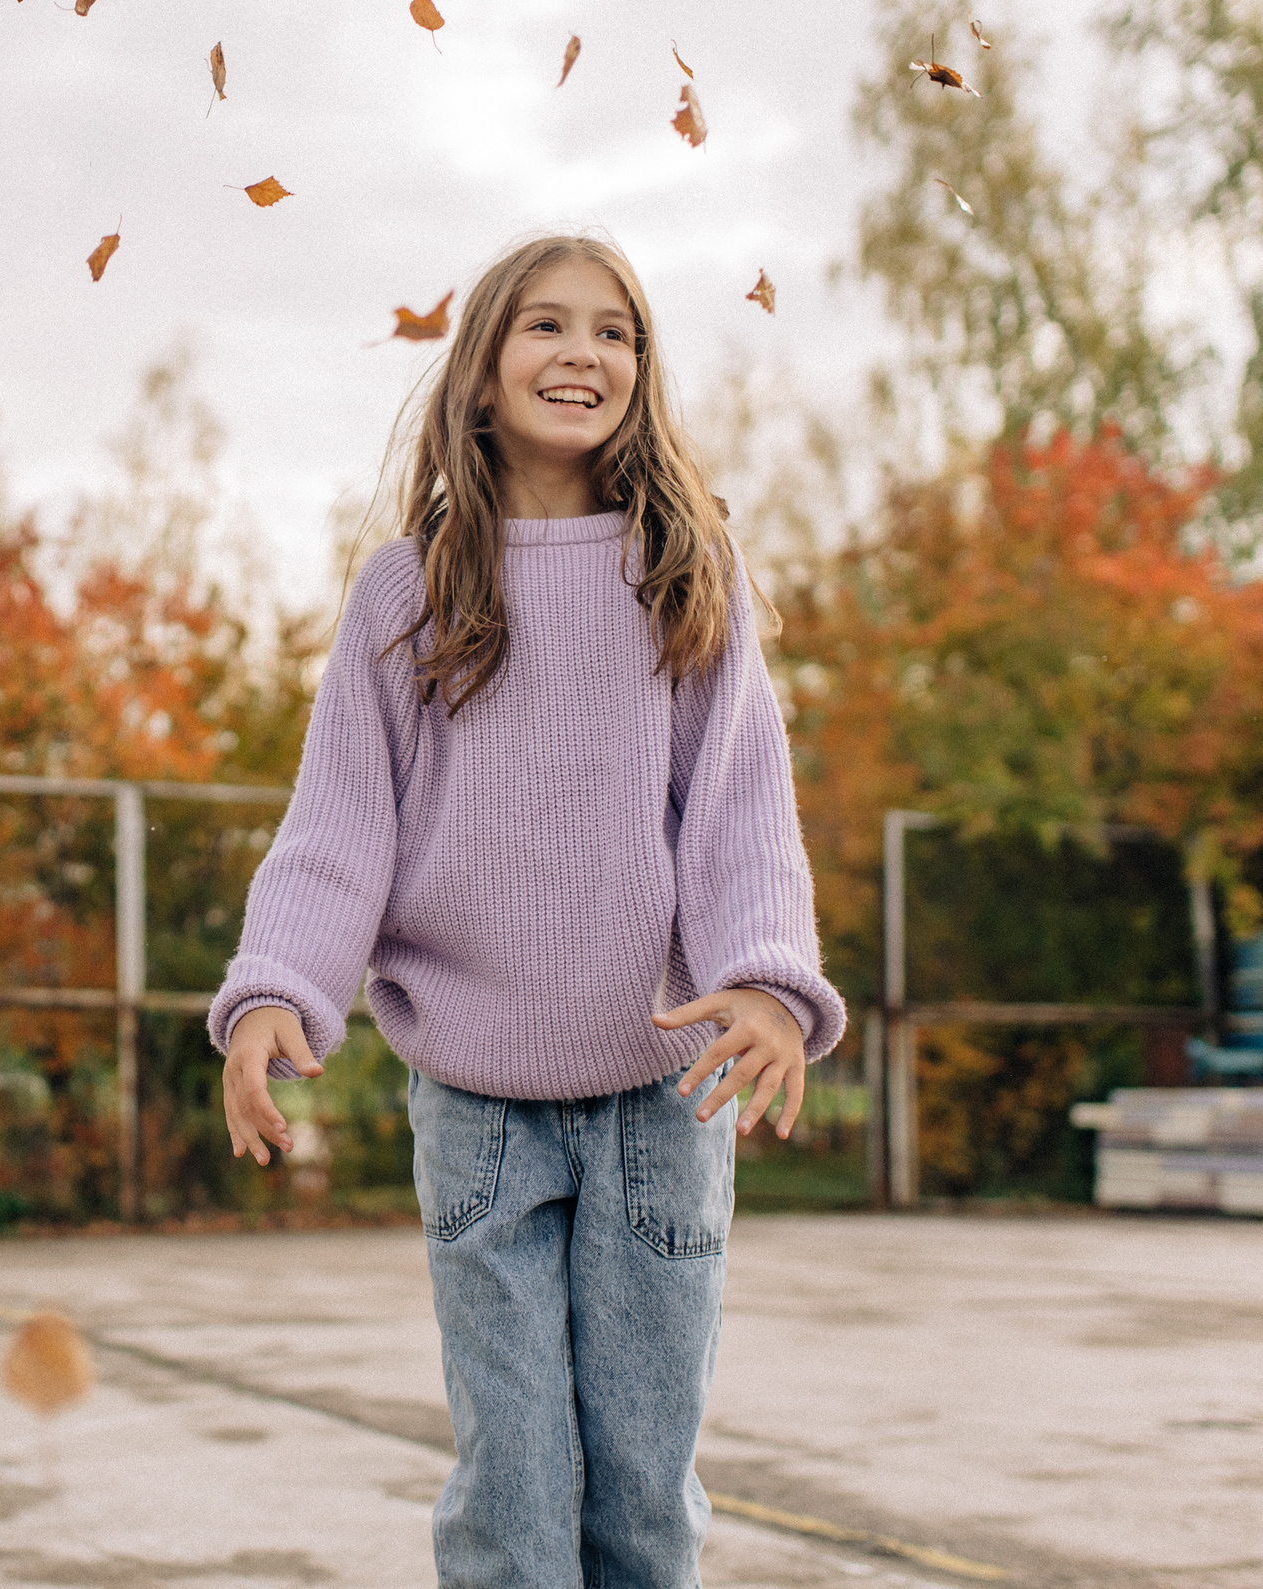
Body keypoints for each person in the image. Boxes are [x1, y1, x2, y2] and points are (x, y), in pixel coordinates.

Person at [210, 235, 845, 1588]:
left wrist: (767, 983)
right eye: (548, 327)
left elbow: (738, 812)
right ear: (483, 374)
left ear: (643, 370)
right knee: (512, 1485)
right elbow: (341, 824)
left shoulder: (692, 574)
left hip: (660, 1102)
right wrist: (275, 989)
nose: (586, 354)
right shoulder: (409, 591)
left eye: (616, 332)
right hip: (480, 1102)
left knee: (641, 1489)